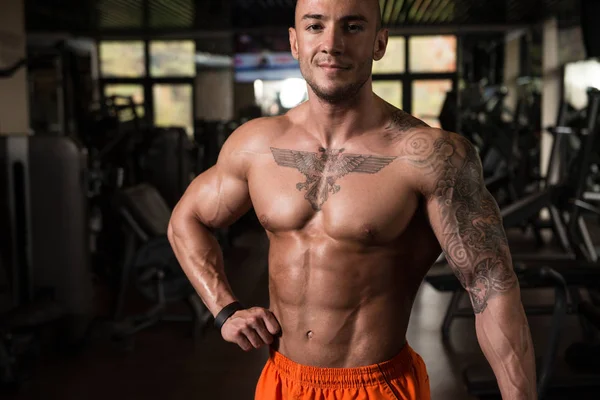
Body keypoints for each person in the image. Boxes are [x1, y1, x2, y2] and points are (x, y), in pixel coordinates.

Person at [167, 0, 537, 398]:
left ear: (379, 43)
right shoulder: (256, 144)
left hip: (376, 387)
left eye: (353, 27)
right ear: (294, 42)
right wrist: (224, 309)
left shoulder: (429, 156)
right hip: (281, 382)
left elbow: (492, 286)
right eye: (314, 26)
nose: (331, 43)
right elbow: (185, 221)